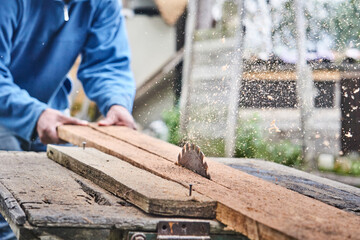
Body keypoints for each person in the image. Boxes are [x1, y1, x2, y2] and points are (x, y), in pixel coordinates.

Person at [0, 0, 136, 238]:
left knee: (72, 202)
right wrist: (35, 115)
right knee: (9, 212)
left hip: (51, 114)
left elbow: (107, 64)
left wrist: (116, 103)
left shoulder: (102, 3)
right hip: (7, 113)